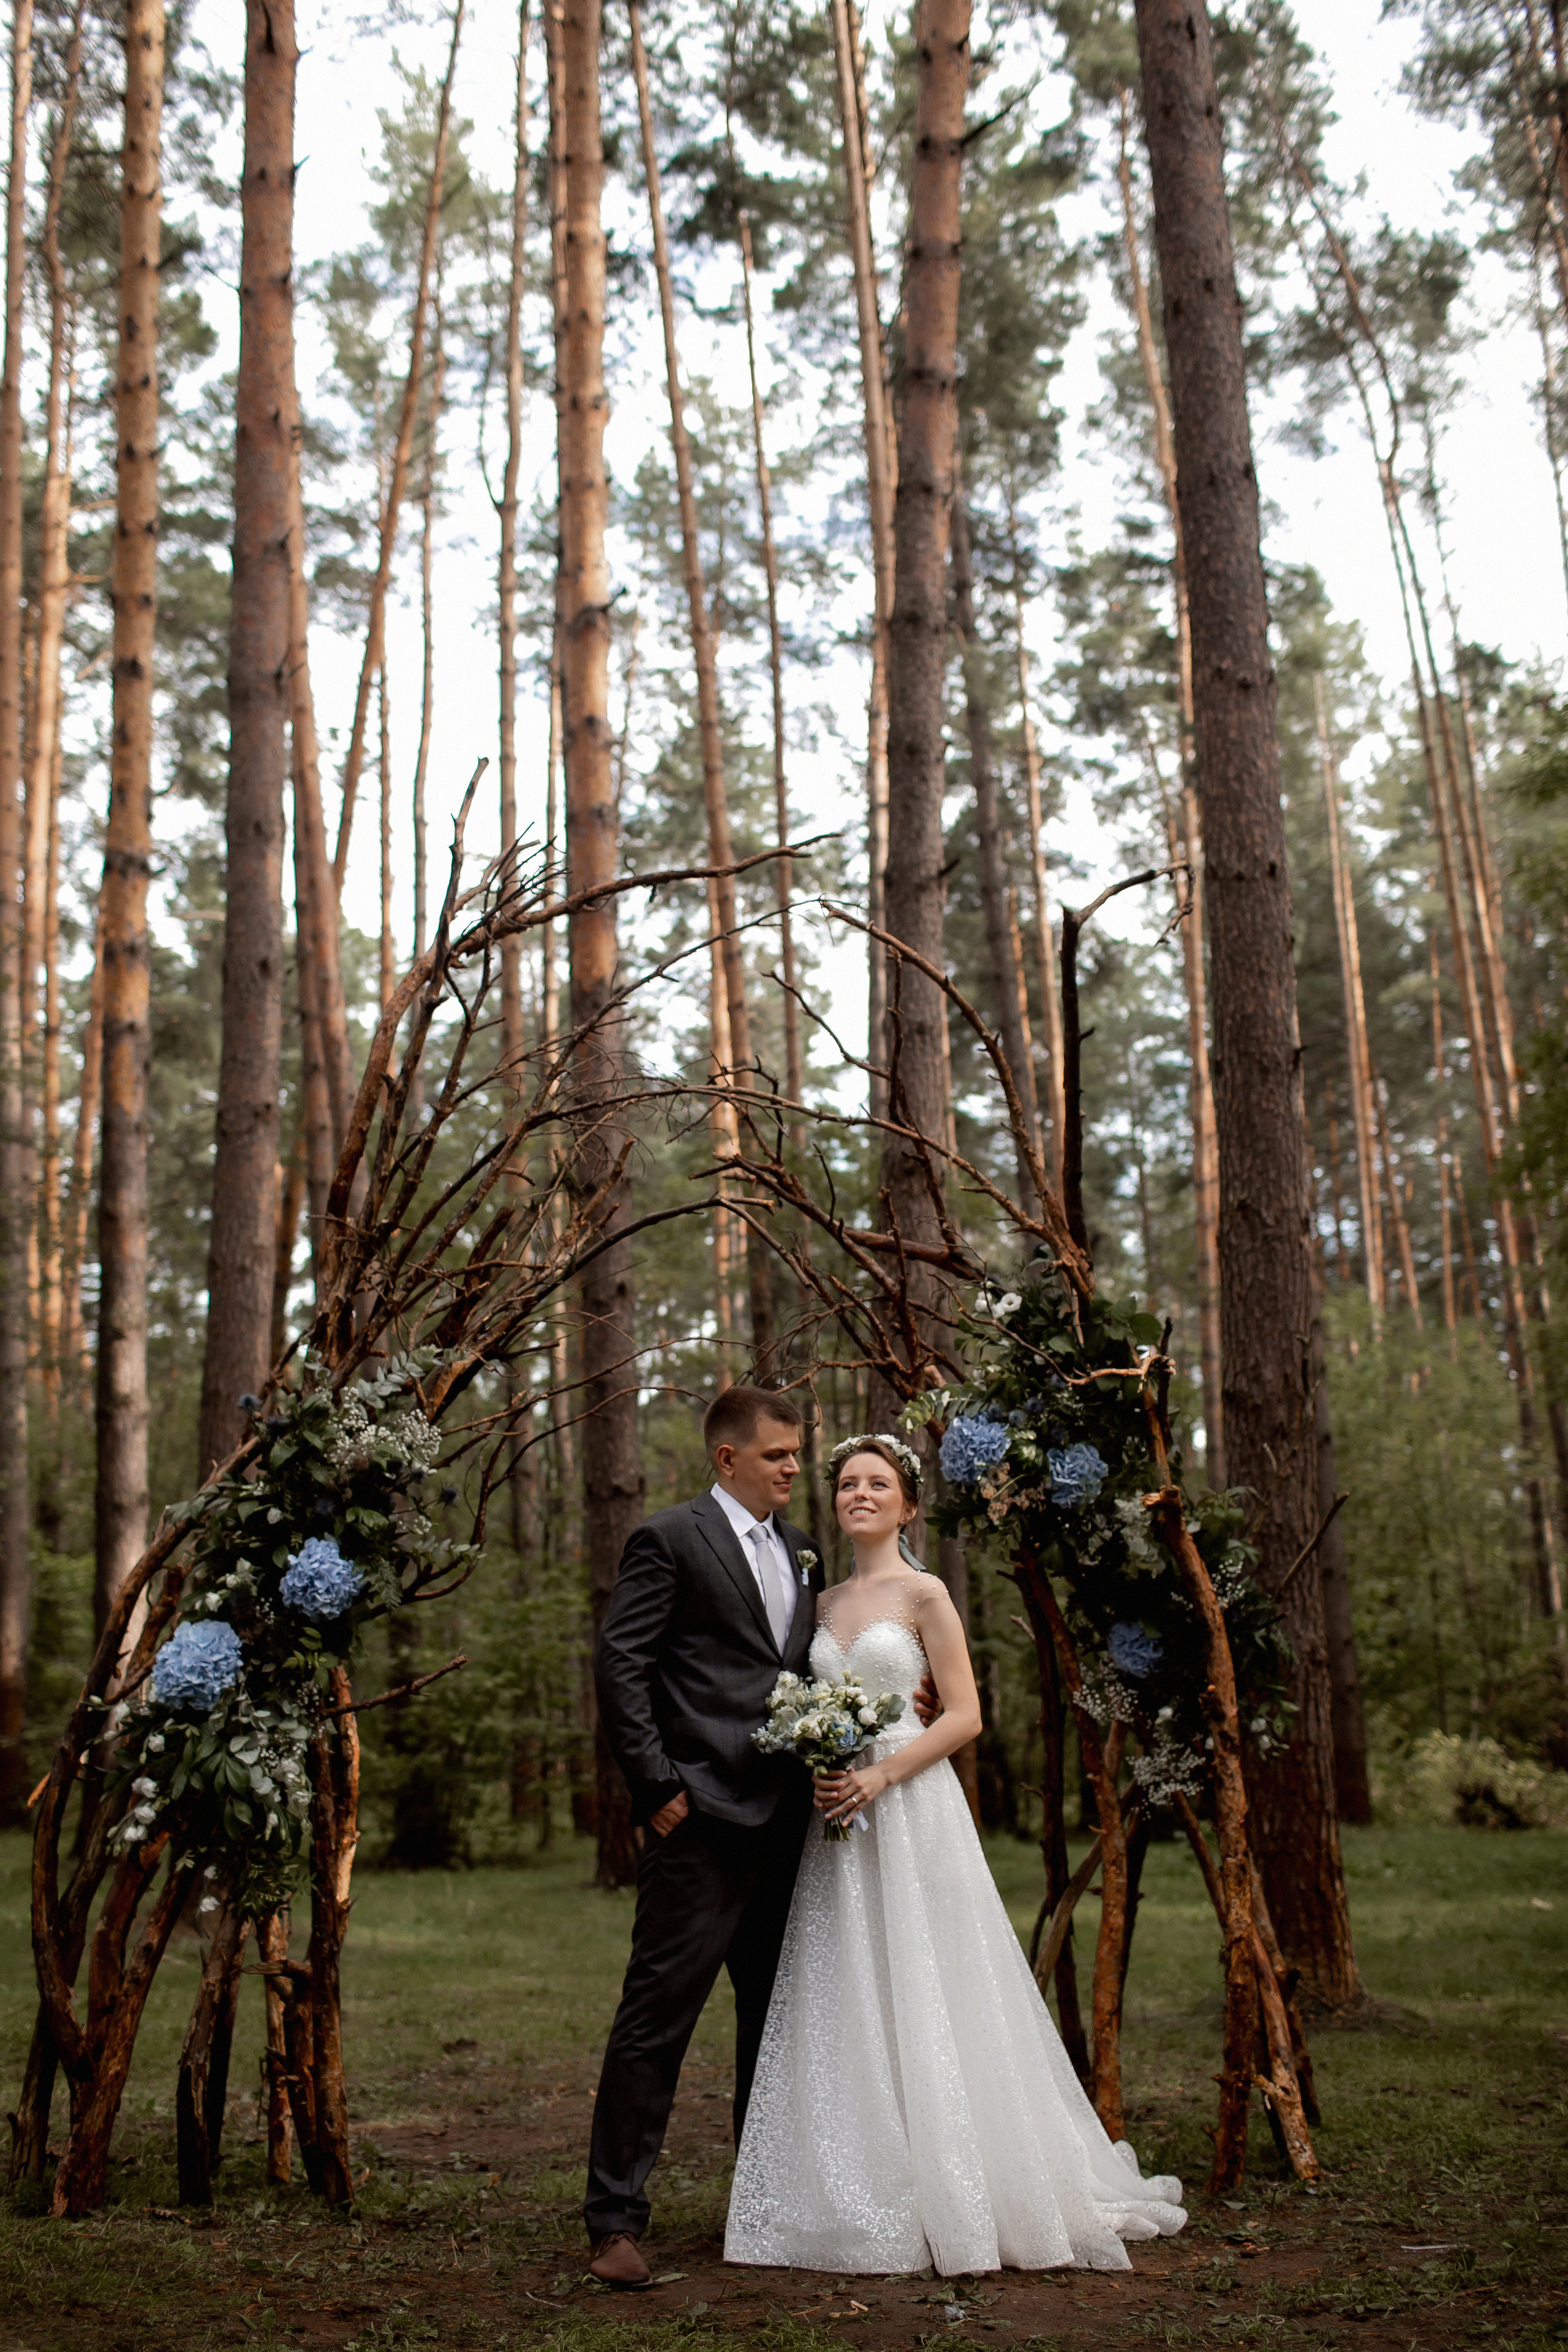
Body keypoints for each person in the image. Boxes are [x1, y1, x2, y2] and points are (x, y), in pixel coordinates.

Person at [723, 1433, 1188, 2277]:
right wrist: (828, 1764)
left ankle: (968, 2183)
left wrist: (882, 1776)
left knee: (937, 1978)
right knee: (852, 1984)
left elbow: (965, 1715)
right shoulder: (819, 1604)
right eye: (848, 1483)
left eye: (879, 1483)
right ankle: (866, 2182)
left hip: (911, 1804)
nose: (859, 1493)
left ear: (908, 1504)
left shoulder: (926, 1592)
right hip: (836, 1817)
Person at [582, 1387, 830, 2288]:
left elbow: (807, 1663)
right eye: (777, 1454)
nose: (794, 1466)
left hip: (786, 1826)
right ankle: (613, 2221)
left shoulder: (804, 1552)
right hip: (700, 1825)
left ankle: (761, 2205)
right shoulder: (670, 1538)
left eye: (797, 1452)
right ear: (727, 1459)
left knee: (773, 2027)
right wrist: (656, 1785)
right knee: (657, 2024)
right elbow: (623, 1661)